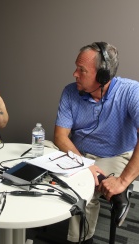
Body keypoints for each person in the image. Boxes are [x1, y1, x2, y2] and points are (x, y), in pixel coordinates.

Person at [54, 41, 139, 243]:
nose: (75, 74)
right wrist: (85, 165)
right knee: (42, 170)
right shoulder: (70, 91)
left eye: (81, 70)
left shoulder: (131, 91)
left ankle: (81, 239)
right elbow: (60, 137)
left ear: (103, 76)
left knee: (84, 190)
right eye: (76, 67)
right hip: (78, 153)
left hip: (114, 155)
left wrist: (122, 181)